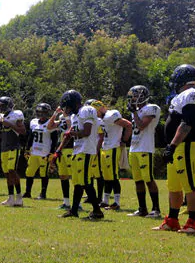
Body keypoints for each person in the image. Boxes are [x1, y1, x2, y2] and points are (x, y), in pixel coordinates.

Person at [153, 64, 195, 233]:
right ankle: (172, 220)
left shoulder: (192, 93)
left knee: (189, 185)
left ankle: (192, 223)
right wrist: (171, 146)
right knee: (173, 186)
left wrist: (173, 144)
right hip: (177, 146)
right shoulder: (182, 96)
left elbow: (187, 123)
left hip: (186, 145)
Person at [56, 90, 104, 219]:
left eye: (67, 104)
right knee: (77, 182)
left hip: (87, 150)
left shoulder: (86, 110)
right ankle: (74, 210)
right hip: (78, 150)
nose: (67, 107)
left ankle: (97, 211)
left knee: (86, 182)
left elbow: (87, 131)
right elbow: (69, 133)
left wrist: (71, 134)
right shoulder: (74, 116)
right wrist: (59, 149)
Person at [125, 85, 162, 218]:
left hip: (145, 148)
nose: (132, 99)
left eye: (135, 96)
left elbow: (141, 126)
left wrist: (134, 112)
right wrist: (134, 112)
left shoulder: (152, 108)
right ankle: (142, 209)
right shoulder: (136, 111)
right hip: (134, 148)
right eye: (131, 97)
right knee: (138, 180)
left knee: (148, 179)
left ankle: (156, 209)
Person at [98, 101, 132, 211]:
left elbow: (128, 125)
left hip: (113, 148)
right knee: (107, 177)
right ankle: (105, 201)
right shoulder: (102, 119)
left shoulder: (111, 114)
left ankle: (116, 202)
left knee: (113, 176)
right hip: (106, 147)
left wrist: (124, 140)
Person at [0, 96, 26, 207]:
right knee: (7, 173)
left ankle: (19, 197)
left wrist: (10, 124)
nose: (0, 108)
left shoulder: (16, 114)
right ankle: (11, 198)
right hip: (4, 148)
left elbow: (22, 131)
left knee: (12, 171)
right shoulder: (0, 117)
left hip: (14, 146)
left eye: (2, 105)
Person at [23, 103, 58, 200]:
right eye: (39, 112)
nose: (41, 114)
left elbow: (54, 139)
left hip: (44, 153)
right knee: (29, 172)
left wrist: (51, 152)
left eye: (43, 112)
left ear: (47, 113)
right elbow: (30, 137)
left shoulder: (51, 123)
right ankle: (27, 192)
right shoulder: (33, 122)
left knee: (43, 173)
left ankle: (43, 194)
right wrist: (27, 148)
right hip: (34, 152)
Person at [48, 108, 74, 210]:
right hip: (61, 149)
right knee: (63, 176)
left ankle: (78, 203)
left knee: (75, 177)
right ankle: (66, 202)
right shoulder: (61, 119)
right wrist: (55, 113)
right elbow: (49, 127)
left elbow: (70, 127)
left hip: (70, 148)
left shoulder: (73, 117)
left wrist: (65, 115)